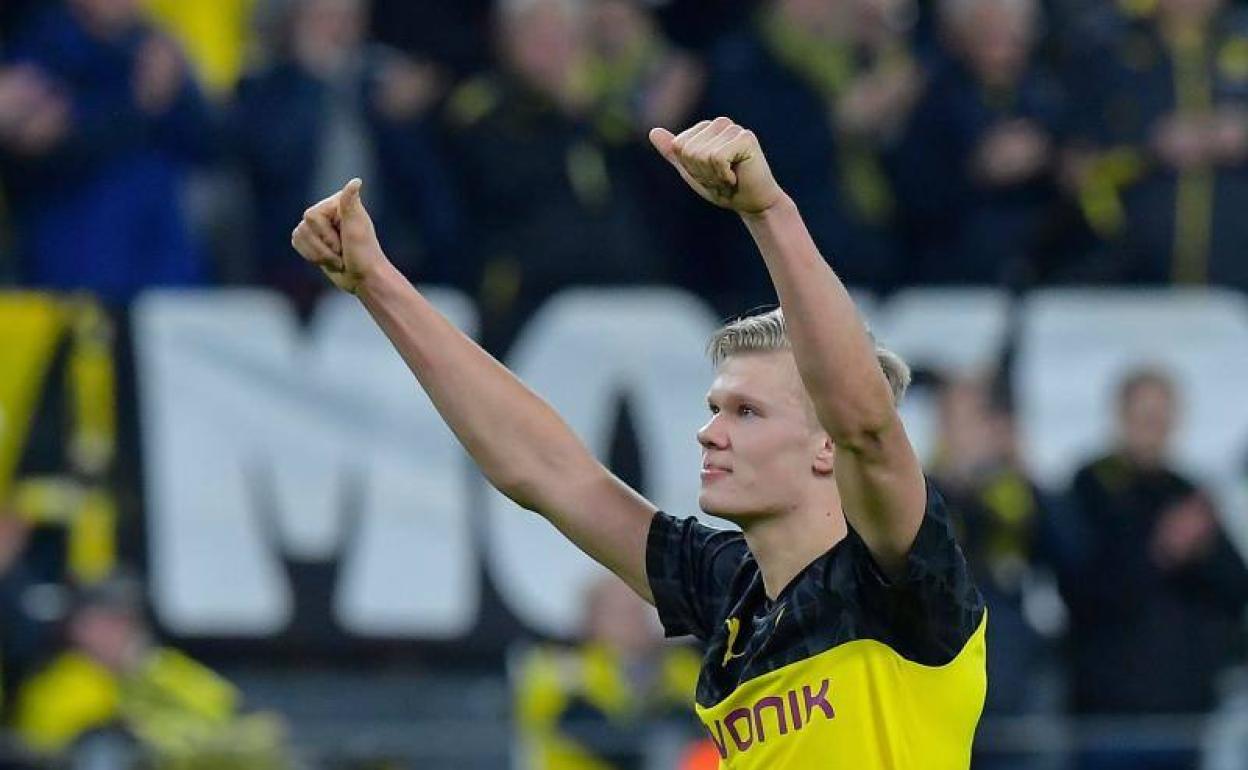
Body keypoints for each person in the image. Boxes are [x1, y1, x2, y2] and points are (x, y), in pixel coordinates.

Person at [290, 116, 986, 767]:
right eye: (715, 408)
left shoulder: (901, 582)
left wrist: (768, 213)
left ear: (823, 446)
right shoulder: (730, 590)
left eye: (745, 413)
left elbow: (864, 423)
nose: (708, 433)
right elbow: (551, 474)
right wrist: (375, 282)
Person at [1060, 368, 1248, 770]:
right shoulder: (1090, 486)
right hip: (1107, 719)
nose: (1153, 428)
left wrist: (1203, 550)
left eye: (1162, 417)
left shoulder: (1187, 491)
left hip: (1183, 719)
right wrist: (1162, 550)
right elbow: (1082, 588)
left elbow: (1235, 588)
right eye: (1144, 416)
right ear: (1120, 415)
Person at [513, 574, 701, 769]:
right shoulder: (558, 666)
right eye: (622, 613)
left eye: (641, 610)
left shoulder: (679, 666)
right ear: (591, 619)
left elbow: (701, 722)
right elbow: (598, 736)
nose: (636, 621)